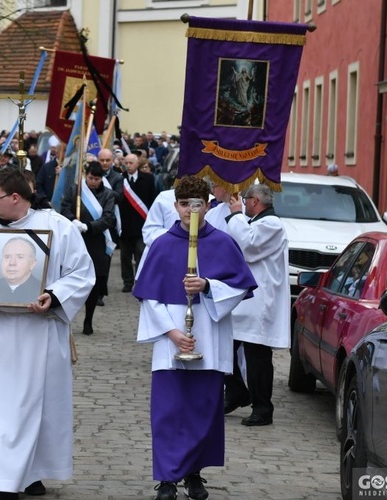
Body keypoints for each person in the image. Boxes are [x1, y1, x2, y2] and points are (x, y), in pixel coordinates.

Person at [0, 168, 94, 500]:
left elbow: (82, 272)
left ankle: (31, 473)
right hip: (1, 334)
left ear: (15, 197)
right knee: (3, 407)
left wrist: (55, 295)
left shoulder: (58, 227)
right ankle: (6, 482)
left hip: (41, 333)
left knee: (40, 407)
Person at [132, 176, 257, 500]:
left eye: (197, 204)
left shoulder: (223, 242)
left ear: (208, 205)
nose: (190, 210)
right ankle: (167, 480)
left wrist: (208, 286)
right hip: (169, 340)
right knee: (168, 412)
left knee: (202, 412)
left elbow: (241, 286)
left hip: (209, 338)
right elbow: (149, 296)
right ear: (175, 207)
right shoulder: (161, 244)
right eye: (185, 204)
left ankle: (194, 474)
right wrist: (173, 333)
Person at [223, 183, 290, 426]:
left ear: (254, 201)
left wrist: (236, 215)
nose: (242, 202)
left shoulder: (272, 224)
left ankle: (263, 409)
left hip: (261, 302)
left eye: (245, 199)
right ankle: (237, 391)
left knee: (257, 358)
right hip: (245, 300)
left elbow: (249, 246)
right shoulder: (257, 222)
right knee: (224, 346)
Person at [60, 161, 116, 335]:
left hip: (96, 240)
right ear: (85, 175)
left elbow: (108, 218)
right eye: (91, 178)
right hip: (75, 239)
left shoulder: (108, 195)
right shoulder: (75, 190)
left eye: (97, 179)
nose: (93, 182)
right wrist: (73, 220)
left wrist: (89, 226)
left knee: (93, 280)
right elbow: (64, 208)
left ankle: (88, 319)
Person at [118, 154, 157, 293]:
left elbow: (153, 200)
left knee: (141, 254)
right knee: (125, 256)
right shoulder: (120, 179)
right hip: (125, 225)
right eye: (126, 163)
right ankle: (127, 282)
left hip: (142, 224)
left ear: (137, 163)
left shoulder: (147, 178)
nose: (128, 165)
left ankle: (140, 280)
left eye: (131, 163)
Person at [0, 236, 44, 304]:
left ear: (33, 263)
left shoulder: (42, 291)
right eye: (7, 257)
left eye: (20, 257)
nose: (12, 263)